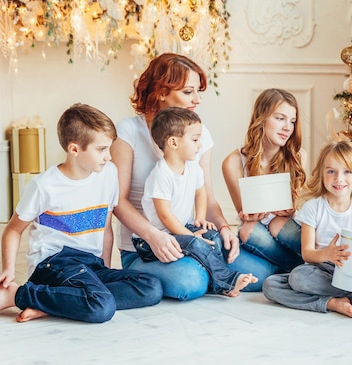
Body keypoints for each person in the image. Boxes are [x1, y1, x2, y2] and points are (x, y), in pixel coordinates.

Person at [0, 103, 163, 323]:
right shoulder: (45, 185)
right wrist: (8, 271)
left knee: (151, 287)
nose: (108, 156)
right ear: (74, 149)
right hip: (53, 264)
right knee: (101, 307)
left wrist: (101, 271)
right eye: (101, 149)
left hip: (89, 263)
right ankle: (16, 294)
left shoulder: (109, 174)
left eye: (110, 148)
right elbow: (13, 230)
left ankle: (56, 304)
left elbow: (106, 229)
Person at [112, 53, 274, 301]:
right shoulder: (128, 131)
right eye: (189, 92)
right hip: (146, 246)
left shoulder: (199, 134)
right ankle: (198, 275)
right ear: (161, 91)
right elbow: (118, 201)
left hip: (190, 236)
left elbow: (206, 195)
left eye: (198, 91)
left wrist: (223, 228)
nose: (197, 100)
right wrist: (154, 236)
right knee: (190, 282)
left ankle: (214, 274)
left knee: (261, 274)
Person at [132, 107, 258, 296]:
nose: (200, 145)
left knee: (213, 237)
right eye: (195, 139)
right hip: (154, 240)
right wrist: (191, 236)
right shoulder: (161, 175)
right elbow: (165, 216)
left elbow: (201, 192)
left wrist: (199, 220)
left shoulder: (193, 168)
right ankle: (228, 281)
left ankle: (221, 284)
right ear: (174, 142)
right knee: (196, 244)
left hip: (180, 229)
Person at [262, 141, 352, 317]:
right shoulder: (313, 207)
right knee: (274, 284)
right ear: (322, 174)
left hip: (349, 272)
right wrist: (327, 254)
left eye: (347, 172)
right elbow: (307, 253)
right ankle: (334, 302)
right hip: (320, 270)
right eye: (331, 171)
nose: (339, 179)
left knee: (297, 278)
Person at [222, 88, 307, 273]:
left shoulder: (298, 157)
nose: (287, 128)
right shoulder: (233, 162)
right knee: (247, 231)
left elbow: (298, 205)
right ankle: (298, 269)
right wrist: (247, 215)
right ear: (261, 118)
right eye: (280, 118)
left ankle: (293, 269)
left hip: (286, 226)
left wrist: (292, 208)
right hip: (256, 233)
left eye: (292, 121)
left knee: (277, 224)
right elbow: (243, 213)